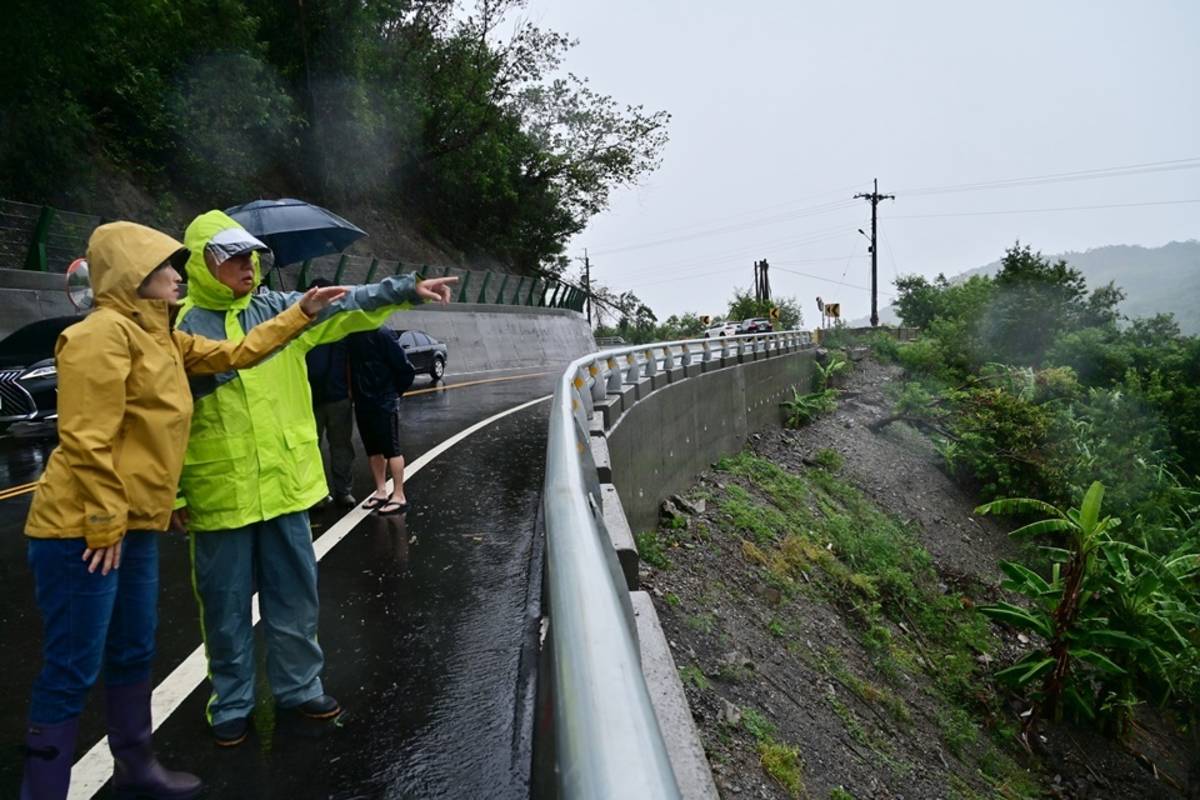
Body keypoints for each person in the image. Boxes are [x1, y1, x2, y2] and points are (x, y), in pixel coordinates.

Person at [20, 221, 346, 800]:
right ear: (132, 277)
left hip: (133, 525)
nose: (178, 275)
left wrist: (301, 313)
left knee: (133, 649)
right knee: (73, 668)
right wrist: (102, 522)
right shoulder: (99, 336)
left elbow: (239, 351)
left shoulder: (164, 338)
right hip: (84, 530)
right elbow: (85, 439)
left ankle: (136, 769)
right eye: (166, 267)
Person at [173, 210, 456, 747]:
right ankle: (230, 700)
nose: (246, 266)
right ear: (202, 263)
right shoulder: (183, 329)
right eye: (232, 257)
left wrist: (406, 290)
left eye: (251, 256)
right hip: (219, 493)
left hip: (285, 489)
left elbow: (346, 304)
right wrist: (175, 491)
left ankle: (300, 687)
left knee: (295, 598)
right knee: (224, 607)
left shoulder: (282, 310)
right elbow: (167, 420)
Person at [347, 327, 417, 515]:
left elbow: (405, 369)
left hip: (384, 401)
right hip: (364, 401)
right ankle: (381, 491)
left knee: (392, 449)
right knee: (373, 449)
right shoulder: (352, 335)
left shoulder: (383, 334)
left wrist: (393, 393)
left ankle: (399, 494)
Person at [304, 278, 356, 509]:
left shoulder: (342, 325)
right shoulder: (298, 325)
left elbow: (351, 363)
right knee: (309, 448)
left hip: (339, 398)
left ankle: (343, 490)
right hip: (308, 400)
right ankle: (317, 494)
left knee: (341, 447)